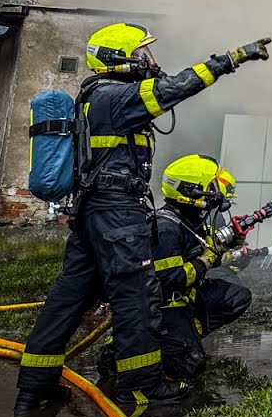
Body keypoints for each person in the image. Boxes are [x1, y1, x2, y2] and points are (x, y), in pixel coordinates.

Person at [14, 23, 270, 412]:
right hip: (118, 215)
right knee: (137, 299)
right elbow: (174, 88)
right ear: (117, 58)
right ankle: (141, 388)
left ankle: (34, 389)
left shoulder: (93, 98)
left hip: (91, 213)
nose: (148, 60)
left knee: (67, 303)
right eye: (140, 53)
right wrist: (230, 60)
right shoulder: (116, 97)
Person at [98, 155, 254, 382]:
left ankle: (181, 338)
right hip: (161, 305)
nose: (216, 195)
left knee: (236, 297)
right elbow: (171, 280)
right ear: (191, 191)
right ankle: (117, 353)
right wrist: (206, 259)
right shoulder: (167, 229)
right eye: (210, 189)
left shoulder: (192, 220)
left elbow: (210, 251)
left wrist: (233, 242)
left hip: (185, 298)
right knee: (190, 366)